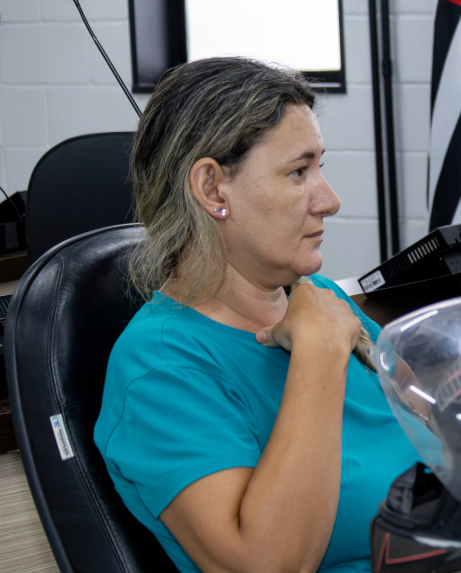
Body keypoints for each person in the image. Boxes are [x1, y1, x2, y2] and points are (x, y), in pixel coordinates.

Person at [93, 57, 419, 573]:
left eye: (320, 168)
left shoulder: (322, 301)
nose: (329, 200)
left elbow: (451, 440)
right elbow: (269, 564)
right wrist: (317, 353)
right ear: (212, 189)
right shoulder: (160, 370)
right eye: (298, 171)